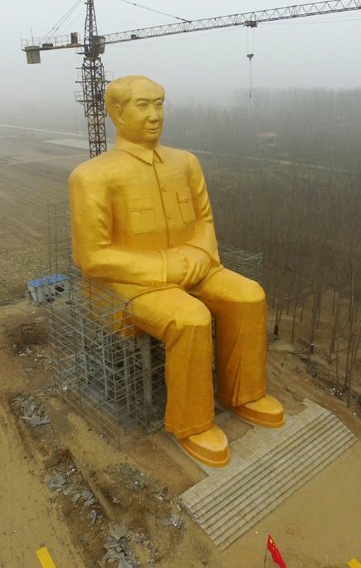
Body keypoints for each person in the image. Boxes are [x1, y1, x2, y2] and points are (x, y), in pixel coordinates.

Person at [68, 75, 283, 467]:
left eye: (159, 104)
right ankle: (192, 423)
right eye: (143, 105)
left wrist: (201, 252)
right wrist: (167, 266)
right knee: (190, 318)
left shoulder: (186, 163)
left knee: (249, 295)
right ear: (117, 112)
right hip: (128, 283)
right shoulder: (92, 176)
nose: (155, 116)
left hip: (195, 265)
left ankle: (245, 394)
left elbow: (205, 220)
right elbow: (92, 255)